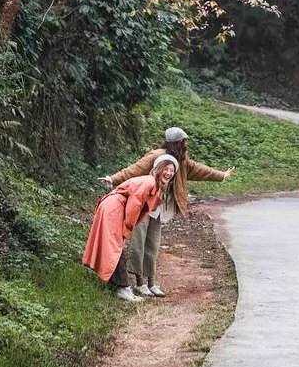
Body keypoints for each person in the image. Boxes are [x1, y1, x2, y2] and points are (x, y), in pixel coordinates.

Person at [99, 127, 233, 298]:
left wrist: (221, 175)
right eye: (182, 142)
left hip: (160, 207)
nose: (184, 145)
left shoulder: (182, 161)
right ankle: (140, 284)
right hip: (143, 205)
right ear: (175, 143)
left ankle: (151, 282)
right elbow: (134, 170)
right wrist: (112, 179)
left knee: (153, 245)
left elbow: (200, 170)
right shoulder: (156, 156)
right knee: (139, 244)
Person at [82, 154, 178, 302]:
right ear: (157, 169)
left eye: (172, 171)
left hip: (115, 209)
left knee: (113, 247)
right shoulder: (148, 182)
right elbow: (134, 206)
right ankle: (122, 288)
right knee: (115, 247)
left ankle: (115, 284)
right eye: (165, 169)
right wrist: (127, 227)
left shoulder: (157, 187)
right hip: (114, 209)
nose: (169, 173)